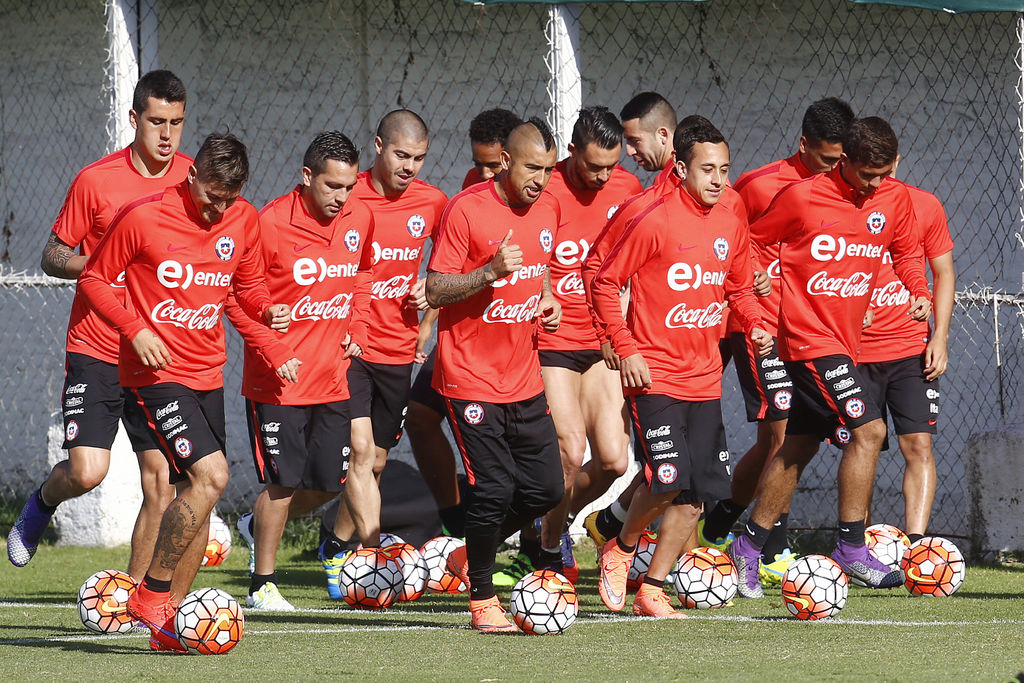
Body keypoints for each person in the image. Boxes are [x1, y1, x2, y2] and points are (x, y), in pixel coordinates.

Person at [78, 133, 290, 650]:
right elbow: (94, 280)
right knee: (213, 475)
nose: (219, 209)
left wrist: (267, 311)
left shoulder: (243, 219)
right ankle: (151, 593)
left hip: (207, 374)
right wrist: (135, 329)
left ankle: (167, 624)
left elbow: (247, 287)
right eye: (211, 196)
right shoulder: (143, 216)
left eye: (229, 199)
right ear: (191, 175)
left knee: (202, 497)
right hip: (155, 374)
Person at [9, 71, 204, 595]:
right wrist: (99, 264)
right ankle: (43, 502)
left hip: (156, 353)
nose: (167, 134)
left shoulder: (192, 180)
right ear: (134, 119)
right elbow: (52, 255)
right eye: (157, 122)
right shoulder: (96, 180)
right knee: (88, 472)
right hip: (96, 344)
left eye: (177, 123)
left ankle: (136, 599)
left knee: (161, 481)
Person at [728, 117, 932, 598]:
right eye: (867, 175)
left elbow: (906, 252)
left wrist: (918, 289)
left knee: (799, 446)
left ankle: (748, 546)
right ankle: (851, 548)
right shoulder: (802, 197)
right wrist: (756, 281)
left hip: (845, 342)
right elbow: (750, 240)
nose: (876, 184)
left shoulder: (894, 199)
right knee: (870, 431)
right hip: (807, 339)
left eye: (884, 173)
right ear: (845, 161)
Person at [590, 116, 772, 618]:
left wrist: (755, 322)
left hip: (704, 378)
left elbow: (740, 288)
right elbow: (604, 281)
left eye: (725, 170)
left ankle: (653, 588)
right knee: (667, 477)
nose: (718, 180)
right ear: (682, 168)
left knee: (696, 498)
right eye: (708, 169)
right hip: (654, 373)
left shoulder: (730, 219)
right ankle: (621, 547)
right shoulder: (654, 217)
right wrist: (624, 346)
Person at [700, 97, 855, 584]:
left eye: (843, 160)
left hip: (811, 332)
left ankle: (723, 521)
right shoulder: (760, 185)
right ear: (804, 144)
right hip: (762, 325)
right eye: (828, 159)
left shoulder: (851, 192)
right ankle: (771, 547)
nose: (836, 169)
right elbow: (726, 238)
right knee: (783, 433)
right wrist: (751, 276)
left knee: (783, 437)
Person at [426, 118, 563, 632]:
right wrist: (489, 273)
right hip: (470, 377)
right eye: (532, 168)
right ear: (505, 161)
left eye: (548, 170)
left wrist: (547, 298)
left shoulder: (548, 207)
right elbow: (434, 289)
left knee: (547, 489)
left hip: (523, 377)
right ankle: (482, 598)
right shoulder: (467, 209)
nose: (540, 180)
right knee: (494, 489)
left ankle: (470, 554)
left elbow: (539, 266)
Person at [225, 131, 372, 610]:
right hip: (279, 382)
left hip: (332, 377)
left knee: (330, 483)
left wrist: (358, 324)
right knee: (283, 484)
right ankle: (262, 584)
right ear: (307, 176)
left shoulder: (359, 217)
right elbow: (234, 296)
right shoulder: (269, 223)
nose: (342, 197)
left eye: (349, 187)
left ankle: (256, 525)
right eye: (332, 186)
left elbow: (363, 273)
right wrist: (271, 341)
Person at [312, 111, 449, 596]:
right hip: (350, 346)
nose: (409, 166)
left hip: (398, 350)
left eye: (419, 158)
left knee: (374, 465)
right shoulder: (348, 196)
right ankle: (368, 561)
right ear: (378, 146)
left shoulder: (432, 202)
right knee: (360, 453)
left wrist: (428, 313)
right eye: (401, 155)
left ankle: (332, 543)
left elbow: (451, 266)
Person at [533, 105, 642, 583]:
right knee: (569, 449)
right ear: (573, 149)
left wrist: (624, 328)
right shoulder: (547, 187)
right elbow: (529, 250)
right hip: (554, 339)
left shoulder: (627, 188)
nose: (603, 176)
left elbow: (635, 260)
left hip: (603, 342)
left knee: (616, 459)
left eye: (611, 166)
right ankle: (548, 547)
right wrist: (545, 293)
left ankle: (553, 520)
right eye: (594, 165)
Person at [405, 108, 522, 541]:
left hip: (515, 339)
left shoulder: (538, 196)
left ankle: (534, 535)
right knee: (419, 415)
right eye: (479, 163)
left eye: (494, 164)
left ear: (513, 157)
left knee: (526, 446)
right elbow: (450, 270)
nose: (486, 173)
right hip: (467, 334)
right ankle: (454, 521)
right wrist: (428, 324)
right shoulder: (472, 192)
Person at [859, 172, 955, 542]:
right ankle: (858, 546)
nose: (878, 176)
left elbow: (943, 272)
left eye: (886, 164)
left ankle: (915, 545)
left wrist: (940, 336)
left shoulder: (925, 204)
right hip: (856, 352)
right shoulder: (841, 203)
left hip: (911, 349)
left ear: (896, 160)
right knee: (862, 447)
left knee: (918, 445)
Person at [619, 91, 677, 186]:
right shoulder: (692, 167)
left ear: (662, 135)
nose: (629, 152)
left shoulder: (673, 181)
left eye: (635, 141)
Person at [461, 108, 524, 188]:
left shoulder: (533, 188)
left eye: (494, 165)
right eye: (478, 164)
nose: (485, 175)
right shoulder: (473, 180)